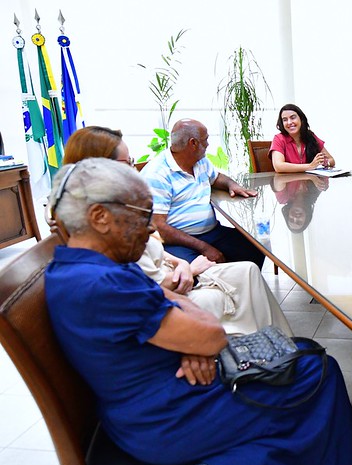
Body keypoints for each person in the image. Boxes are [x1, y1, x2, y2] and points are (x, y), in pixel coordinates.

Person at [45, 159, 352, 465]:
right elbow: (211, 335)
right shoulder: (103, 282)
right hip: (169, 419)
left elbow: (176, 316)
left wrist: (188, 337)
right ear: (100, 217)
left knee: (298, 351)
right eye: (143, 215)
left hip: (148, 405)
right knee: (318, 368)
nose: (150, 227)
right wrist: (193, 335)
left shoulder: (80, 267)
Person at [62, 126, 290, 335]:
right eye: (127, 163)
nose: (134, 170)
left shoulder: (119, 205)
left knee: (250, 263)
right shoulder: (105, 222)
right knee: (241, 286)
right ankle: (260, 346)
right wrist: (191, 267)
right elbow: (139, 292)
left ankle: (280, 344)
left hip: (177, 260)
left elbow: (149, 242)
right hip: (177, 258)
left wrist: (232, 185)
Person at [141, 118, 265, 268]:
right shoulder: (157, 174)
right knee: (201, 272)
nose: (207, 144)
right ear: (193, 143)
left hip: (212, 232)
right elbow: (159, 227)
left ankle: (244, 289)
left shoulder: (199, 161)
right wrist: (203, 247)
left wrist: (232, 185)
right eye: (205, 140)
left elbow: (217, 177)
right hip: (176, 242)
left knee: (255, 248)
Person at [269, 104, 336, 173]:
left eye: (293, 118)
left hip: (311, 181)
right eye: (285, 120)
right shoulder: (279, 139)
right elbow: (279, 166)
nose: (289, 122)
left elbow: (331, 160)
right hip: (288, 182)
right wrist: (310, 166)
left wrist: (323, 163)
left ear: (301, 119)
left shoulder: (310, 136)